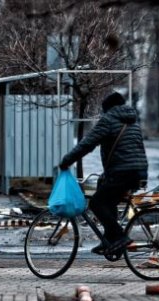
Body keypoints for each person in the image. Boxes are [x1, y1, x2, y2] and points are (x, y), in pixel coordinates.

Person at [59, 92, 148, 255]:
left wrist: (66, 161)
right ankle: (109, 241)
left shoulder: (109, 119)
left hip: (123, 172)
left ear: (108, 108)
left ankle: (120, 237)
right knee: (107, 196)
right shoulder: (133, 121)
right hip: (138, 171)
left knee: (96, 203)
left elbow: (88, 143)